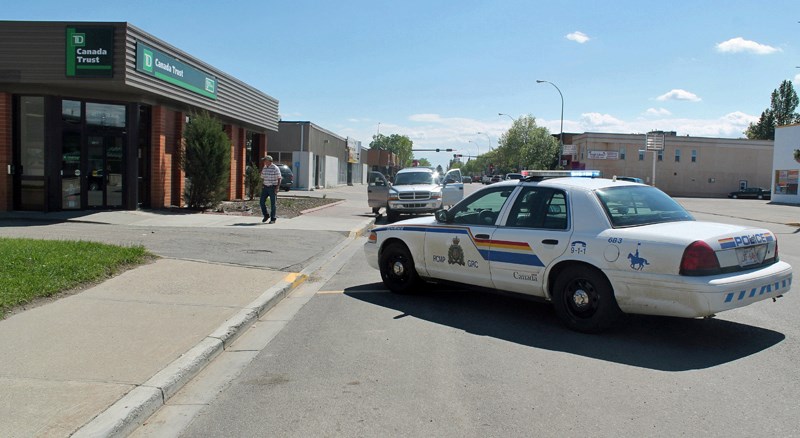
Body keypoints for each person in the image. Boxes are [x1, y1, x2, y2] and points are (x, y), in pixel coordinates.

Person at [259, 155, 282, 223]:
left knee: (273, 204)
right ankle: (266, 215)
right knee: (261, 202)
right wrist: (262, 185)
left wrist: (277, 188)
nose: (264, 162)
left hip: (273, 187)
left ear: (269, 161)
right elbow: (262, 177)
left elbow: (279, 178)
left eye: (265, 160)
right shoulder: (265, 168)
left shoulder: (275, 168)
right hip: (265, 187)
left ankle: (273, 218)